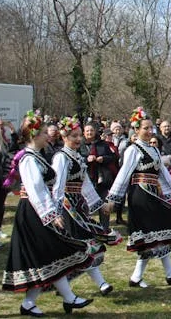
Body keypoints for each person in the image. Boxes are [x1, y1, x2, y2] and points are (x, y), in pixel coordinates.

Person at [2, 110, 94, 316]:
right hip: (33, 211)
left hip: (37, 210)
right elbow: (36, 189)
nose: (48, 136)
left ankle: (37, 303)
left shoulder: (37, 156)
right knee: (48, 253)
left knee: (47, 256)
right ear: (34, 136)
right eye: (44, 133)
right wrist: (51, 213)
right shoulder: (28, 158)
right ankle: (66, 298)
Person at [106, 107, 171, 289]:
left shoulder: (153, 151)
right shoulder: (133, 150)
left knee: (155, 234)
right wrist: (113, 198)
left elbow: (164, 175)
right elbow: (123, 175)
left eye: (151, 128)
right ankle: (164, 273)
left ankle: (152, 275)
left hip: (153, 194)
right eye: (145, 128)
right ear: (136, 130)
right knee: (151, 234)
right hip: (140, 195)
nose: (149, 131)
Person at [51, 116, 122, 296]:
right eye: (73, 136)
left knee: (86, 245)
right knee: (79, 247)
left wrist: (100, 205)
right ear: (64, 137)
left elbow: (86, 185)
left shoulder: (76, 157)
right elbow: (58, 186)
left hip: (78, 205)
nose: (78, 139)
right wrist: (55, 212)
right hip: (67, 207)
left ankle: (96, 284)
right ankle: (79, 285)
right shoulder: (61, 157)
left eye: (78, 136)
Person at [81, 122, 118, 229]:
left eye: (91, 130)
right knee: (85, 207)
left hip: (102, 179)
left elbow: (112, 157)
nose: (89, 132)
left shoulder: (103, 144)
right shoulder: (80, 144)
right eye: (87, 131)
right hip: (87, 180)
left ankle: (104, 228)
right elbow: (77, 157)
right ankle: (86, 228)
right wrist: (86, 159)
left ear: (95, 131)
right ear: (84, 133)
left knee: (104, 204)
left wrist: (103, 159)